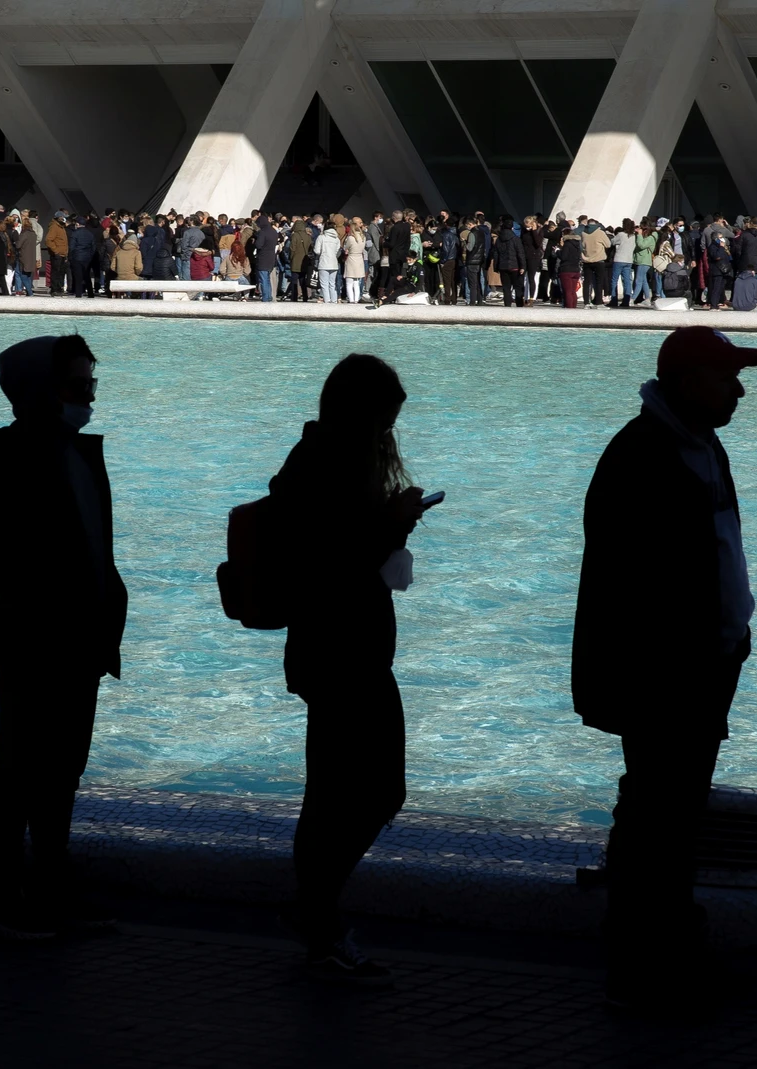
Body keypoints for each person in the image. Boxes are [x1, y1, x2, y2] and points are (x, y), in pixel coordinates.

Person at [573, 326, 757, 1015]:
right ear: (688, 383)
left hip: (702, 664)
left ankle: (665, 947)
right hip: (664, 674)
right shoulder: (644, 455)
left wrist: (731, 638)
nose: (739, 388)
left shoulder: (699, 446)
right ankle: (643, 957)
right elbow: (632, 584)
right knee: (659, 809)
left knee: (672, 811)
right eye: (726, 376)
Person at [271, 354, 427, 984]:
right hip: (343, 656)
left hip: (332, 653)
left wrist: (386, 524)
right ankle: (314, 912)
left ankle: (317, 919)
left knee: (332, 794)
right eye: (384, 420)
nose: (388, 433)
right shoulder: (325, 465)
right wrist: (388, 526)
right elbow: (329, 563)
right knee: (373, 790)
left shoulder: (320, 458)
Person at [0, 335, 128, 939]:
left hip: (80, 634)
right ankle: (4, 899)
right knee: (22, 767)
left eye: (91, 383)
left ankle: (49, 888)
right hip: (38, 632)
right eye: (76, 385)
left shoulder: (74, 451)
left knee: (62, 769)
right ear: (40, 391)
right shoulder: (12, 451)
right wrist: (50, 598)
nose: (88, 395)